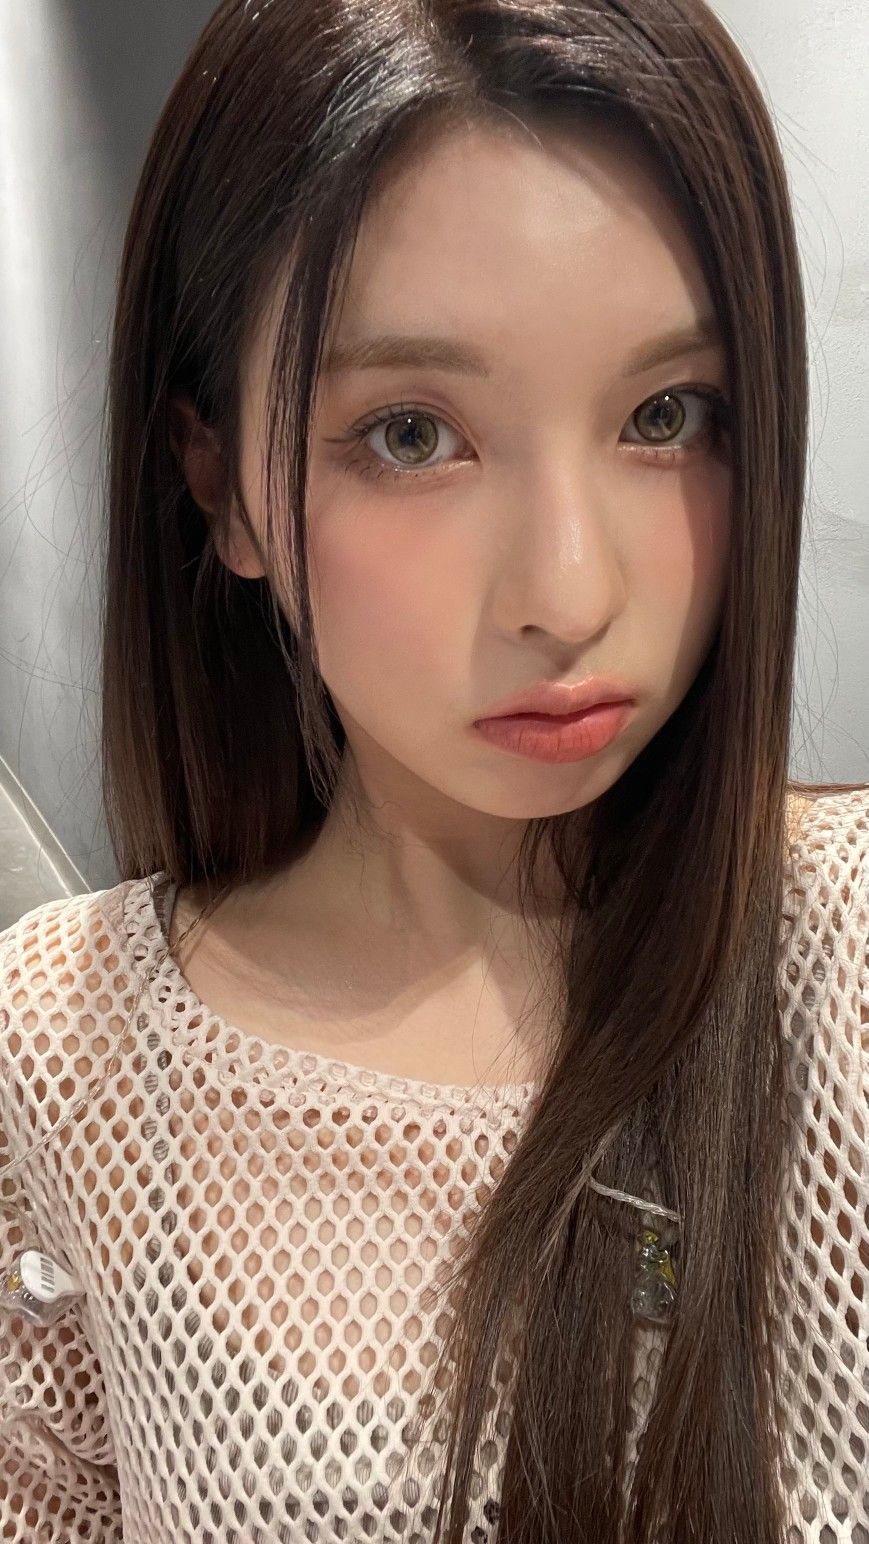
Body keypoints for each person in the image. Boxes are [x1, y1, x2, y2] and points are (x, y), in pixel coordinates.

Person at [1, 0, 867, 1538]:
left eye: (664, 415)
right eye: (411, 435)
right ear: (222, 483)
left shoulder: (843, 968)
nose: (567, 592)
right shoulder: (63, 1056)